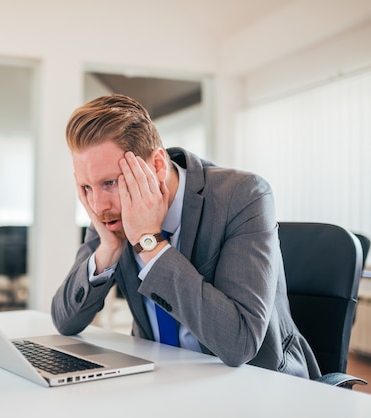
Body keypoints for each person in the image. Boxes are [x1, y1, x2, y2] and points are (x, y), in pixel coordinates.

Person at [51, 94, 320, 378]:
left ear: (156, 165)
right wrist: (107, 248)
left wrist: (149, 243)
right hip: (159, 378)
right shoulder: (110, 211)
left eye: (109, 182)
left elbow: (239, 343)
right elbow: (64, 320)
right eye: (87, 188)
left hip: (253, 384)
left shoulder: (243, 195)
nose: (97, 205)